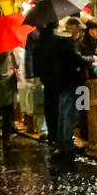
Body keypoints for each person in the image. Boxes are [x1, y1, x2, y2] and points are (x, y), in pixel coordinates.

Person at [33, 17, 88, 159]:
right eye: (79, 29)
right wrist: (90, 60)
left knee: (63, 113)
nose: (80, 32)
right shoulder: (64, 41)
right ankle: (67, 147)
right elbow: (75, 59)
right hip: (71, 82)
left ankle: (62, 145)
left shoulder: (50, 41)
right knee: (69, 115)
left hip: (59, 83)